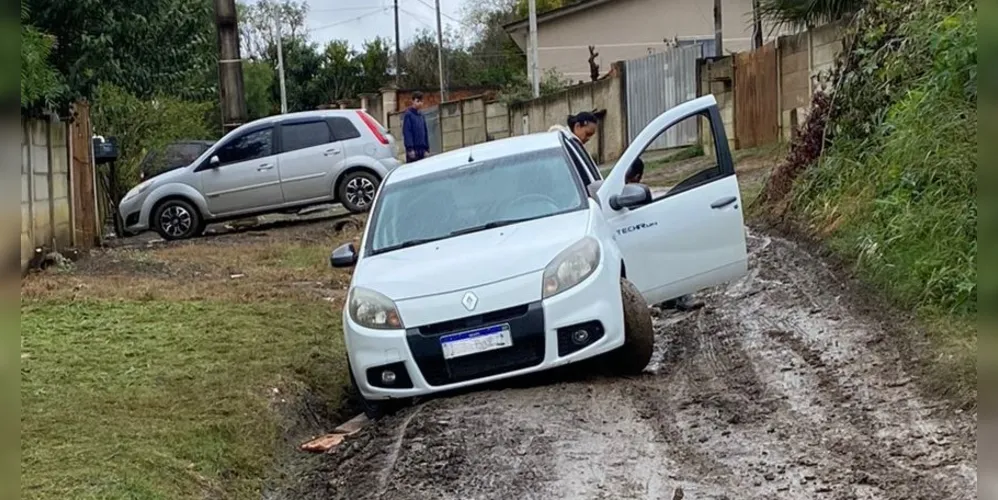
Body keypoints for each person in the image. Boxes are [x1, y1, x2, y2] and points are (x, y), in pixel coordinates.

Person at [624, 157, 704, 312]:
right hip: (631, 242)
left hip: (640, 238)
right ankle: (667, 298)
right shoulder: (622, 191)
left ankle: (677, 297)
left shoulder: (638, 191)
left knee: (669, 254)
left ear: (636, 176)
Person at [402, 92, 430, 163]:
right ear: (413, 101)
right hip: (414, 150)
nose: (420, 103)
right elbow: (407, 132)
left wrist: (426, 148)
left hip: (422, 149)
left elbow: (425, 132)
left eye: (421, 101)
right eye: (418, 101)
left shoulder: (421, 115)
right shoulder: (408, 115)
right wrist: (410, 149)